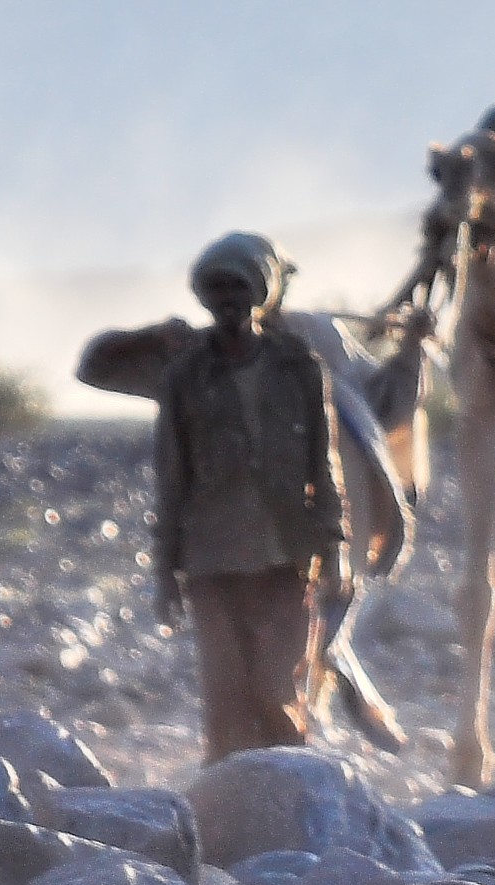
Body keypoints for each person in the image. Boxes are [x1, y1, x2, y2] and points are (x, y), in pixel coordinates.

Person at [150, 233, 349, 759]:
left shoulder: (298, 367)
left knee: (276, 693)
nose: (227, 300)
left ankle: (293, 801)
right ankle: (229, 817)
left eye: (238, 287)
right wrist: (164, 572)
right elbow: (172, 478)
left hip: (286, 557)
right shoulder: (185, 378)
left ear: (259, 293)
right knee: (224, 703)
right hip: (211, 562)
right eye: (215, 289)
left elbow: (323, 466)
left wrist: (335, 551)